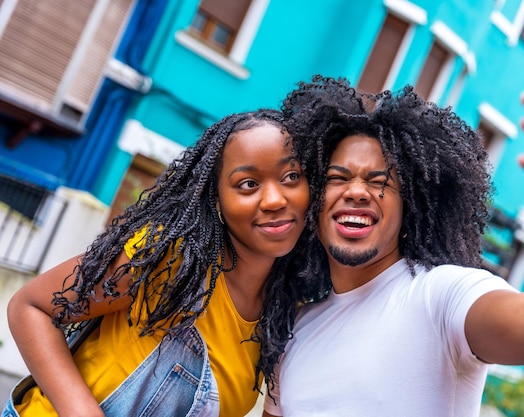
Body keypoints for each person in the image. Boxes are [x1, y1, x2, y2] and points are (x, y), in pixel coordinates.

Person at [263, 58, 524, 417]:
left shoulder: (442, 295)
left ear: (412, 208)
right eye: (338, 178)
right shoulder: (296, 331)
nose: (357, 191)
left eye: (380, 182)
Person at [2, 109, 322, 417]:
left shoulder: (283, 313)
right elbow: (31, 307)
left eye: (291, 176)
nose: (275, 199)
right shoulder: (170, 257)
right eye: (248, 184)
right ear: (217, 199)